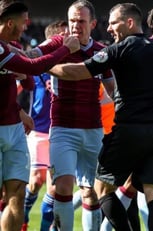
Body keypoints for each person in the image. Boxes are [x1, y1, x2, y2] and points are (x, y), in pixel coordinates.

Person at [49, 3, 153, 230]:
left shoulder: (119, 49)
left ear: (129, 23)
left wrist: (43, 64)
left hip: (130, 129)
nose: (109, 29)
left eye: (113, 23)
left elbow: (76, 72)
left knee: (101, 189)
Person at [27, 1, 115, 230]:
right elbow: (29, 59)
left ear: (93, 24)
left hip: (94, 129)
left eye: (81, 21)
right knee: (63, 187)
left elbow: (112, 90)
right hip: (63, 128)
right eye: (72, 20)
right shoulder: (57, 43)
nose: (75, 26)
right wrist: (62, 51)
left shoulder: (101, 52)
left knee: (91, 192)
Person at [0, 1, 79, 230]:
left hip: (14, 127)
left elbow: (27, 64)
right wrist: (65, 49)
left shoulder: (7, 46)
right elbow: (32, 67)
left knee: (16, 193)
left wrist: (56, 41)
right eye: (24, 21)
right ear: (10, 22)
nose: (26, 26)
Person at [21, 20, 68, 231]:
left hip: (62, 130)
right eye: (62, 37)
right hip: (39, 130)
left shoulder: (74, 65)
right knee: (36, 180)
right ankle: (22, 214)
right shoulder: (36, 66)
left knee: (55, 188)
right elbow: (19, 88)